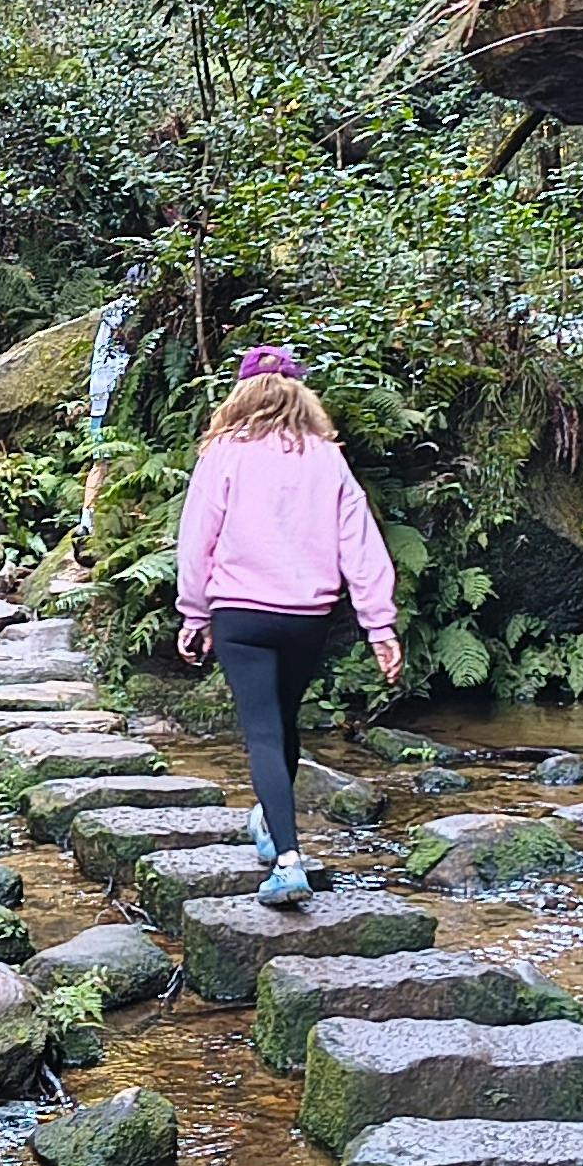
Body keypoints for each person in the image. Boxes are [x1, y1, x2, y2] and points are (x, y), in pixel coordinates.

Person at [173, 346, 403, 908]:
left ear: (240, 395)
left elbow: (197, 535)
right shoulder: (326, 458)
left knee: (262, 732)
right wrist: (380, 626)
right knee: (284, 723)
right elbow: (361, 543)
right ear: (301, 394)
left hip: (241, 615)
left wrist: (193, 611)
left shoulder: (224, 452)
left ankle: (287, 860)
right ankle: (270, 824)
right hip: (306, 618)